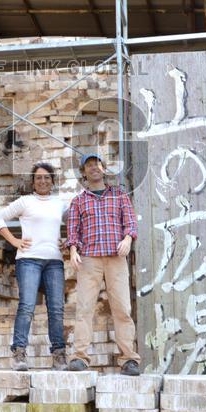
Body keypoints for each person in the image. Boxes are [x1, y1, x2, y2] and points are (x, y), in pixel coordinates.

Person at [65, 153, 141, 375]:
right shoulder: (79, 200)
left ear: (104, 169)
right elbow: (73, 230)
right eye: (89, 165)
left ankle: (129, 360)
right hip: (89, 259)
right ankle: (79, 357)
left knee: (122, 309)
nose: (93, 168)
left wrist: (128, 239)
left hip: (116, 259)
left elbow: (130, 222)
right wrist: (72, 250)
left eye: (97, 164)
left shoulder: (118, 195)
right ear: (84, 172)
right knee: (84, 309)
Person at [0, 162, 69, 371]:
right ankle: (19, 354)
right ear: (33, 182)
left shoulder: (60, 204)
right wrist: (15, 241)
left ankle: (59, 356)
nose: (42, 181)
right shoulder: (25, 201)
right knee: (26, 306)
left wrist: (69, 240)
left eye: (46, 177)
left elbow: (76, 222)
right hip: (28, 260)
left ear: (52, 181)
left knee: (56, 309)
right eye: (38, 178)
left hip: (54, 260)